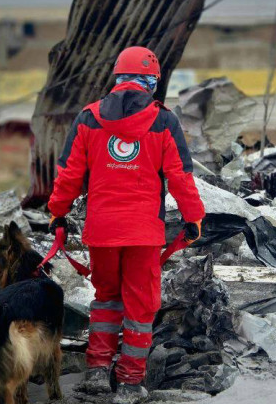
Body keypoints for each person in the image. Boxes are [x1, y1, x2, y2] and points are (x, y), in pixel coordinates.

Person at [47, 46, 205, 404]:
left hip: (101, 233)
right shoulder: (164, 121)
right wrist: (194, 218)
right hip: (144, 234)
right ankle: (131, 382)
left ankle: (98, 373)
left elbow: (69, 173)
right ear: (150, 81)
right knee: (140, 305)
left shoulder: (87, 118)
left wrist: (57, 210)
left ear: (117, 78)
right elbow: (180, 177)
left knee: (106, 298)